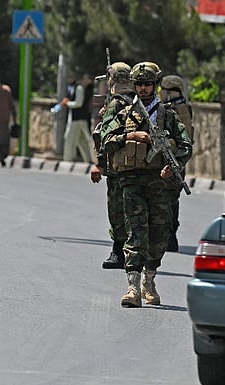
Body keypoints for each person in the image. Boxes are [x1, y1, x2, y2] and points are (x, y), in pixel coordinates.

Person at [101, 61, 192, 307]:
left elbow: (185, 145)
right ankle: (132, 288)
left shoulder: (167, 115)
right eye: (139, 84)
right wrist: (131, 135)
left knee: (159, 235)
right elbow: (106, 140)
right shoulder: (124, 112)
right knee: (135, 232)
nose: (143, 89)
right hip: (131, 182)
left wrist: (172, 166)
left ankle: (149, 281)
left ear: (155, 85)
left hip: (159, 183)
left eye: (148, 84)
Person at [91, 62, 135, 270]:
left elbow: (106, 136)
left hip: (117, 166)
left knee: (117, 209)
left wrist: (99, 164)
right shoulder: (138, 100)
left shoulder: (116, 104)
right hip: (137, 164)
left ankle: (119, 252)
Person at [159, 74, 193, 252]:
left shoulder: (180, 109)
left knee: (170, 199)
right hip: (170, 159)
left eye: (163, 90)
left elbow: (184, 137)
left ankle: (170, 236)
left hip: (174, 160)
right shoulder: (174, 107)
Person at [61, 73, 96, 165]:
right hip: (75, 118)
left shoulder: (79, 88)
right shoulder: (71, 88)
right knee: (81, 140)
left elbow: (79, 103)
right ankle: (87, 159)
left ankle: (67, 159)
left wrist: (67, 103)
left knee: (70, 138)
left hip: (79, 118)